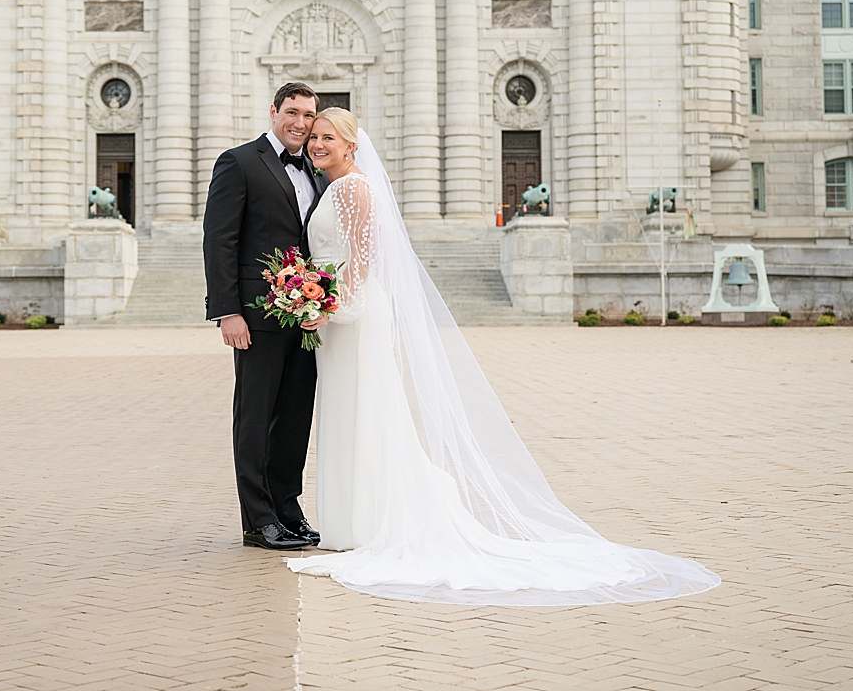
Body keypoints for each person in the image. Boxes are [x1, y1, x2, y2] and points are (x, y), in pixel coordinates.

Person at [290, 107, 722, 605]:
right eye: (314, 135)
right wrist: (317, 300)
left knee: (367, 414)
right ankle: (351, 524)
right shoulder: (336, 185)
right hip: (338, 320)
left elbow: (363, 268)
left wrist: (330, 308)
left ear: (350, 144)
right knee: (351, 415)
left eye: (328, 136)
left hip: (354, 319)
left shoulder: (355, 189)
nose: (317, 142)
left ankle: (370, 524)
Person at [202, 82, 329, 551]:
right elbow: (220, 241)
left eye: (308, 115)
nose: (300, 123)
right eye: (292, 112)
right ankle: (258, 519)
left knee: (295, 416)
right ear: (273, 111)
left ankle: (287, 508)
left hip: (305, 314)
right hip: (255, 317)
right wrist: (228, 311)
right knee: (255, 417)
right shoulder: (239, 162)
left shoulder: (316, 172)